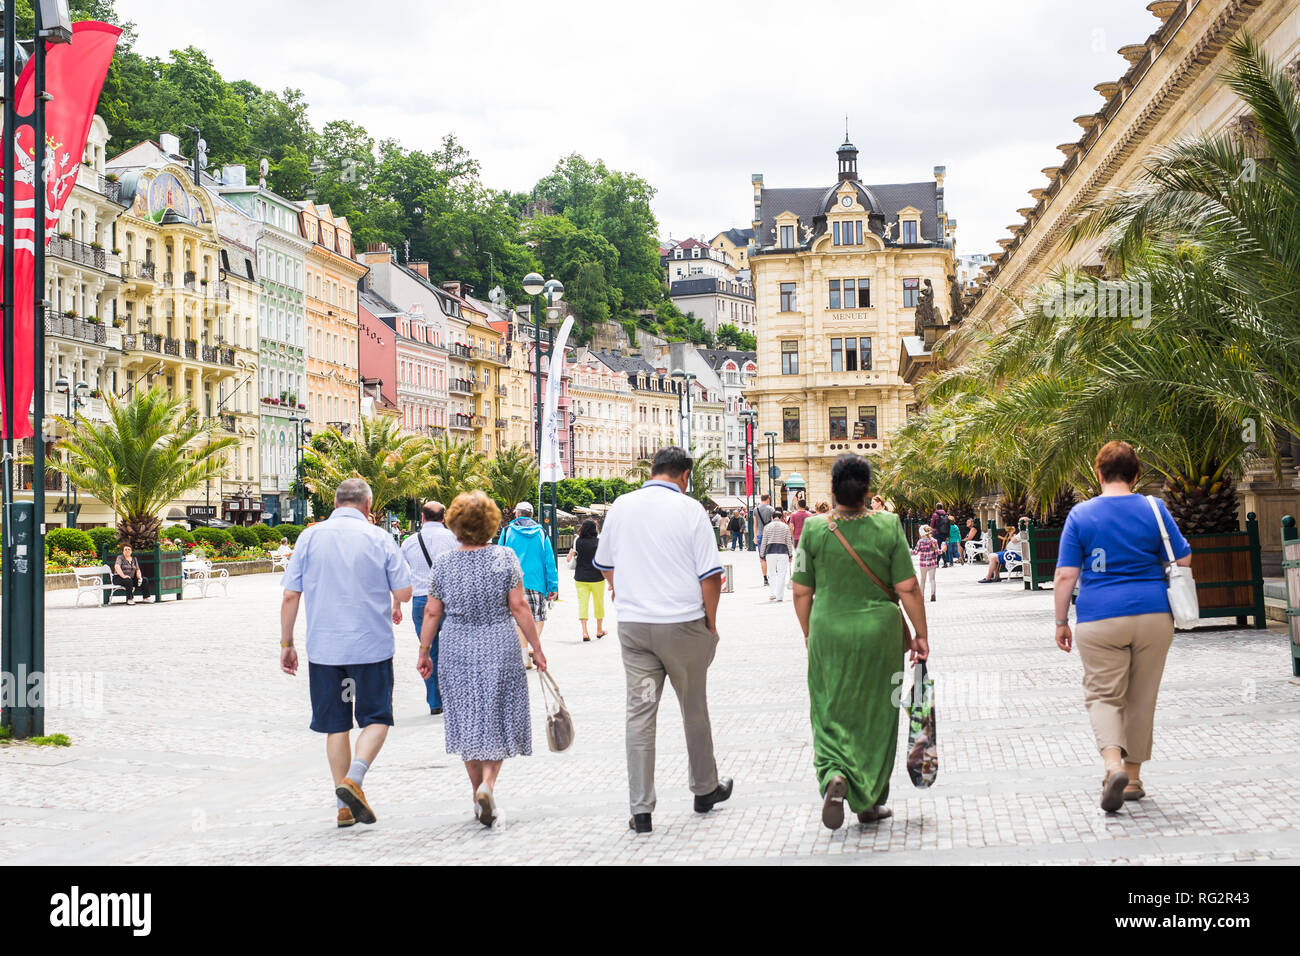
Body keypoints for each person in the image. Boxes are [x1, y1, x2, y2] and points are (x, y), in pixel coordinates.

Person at [595, 446, 733, 835]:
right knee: (693, 708)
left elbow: (605, 565)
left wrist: (621, 590)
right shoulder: (691, 511)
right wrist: (711, 621)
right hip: (682, 625)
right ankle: (704, 789)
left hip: (636, 629)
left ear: (653, 470)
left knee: (639, 714)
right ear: (685, 475)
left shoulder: (621, 505)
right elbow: (711, 575)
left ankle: (641, 810)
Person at [792, 454, 929, 830]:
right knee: (877, 714)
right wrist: (920, 634)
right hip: (880, 636)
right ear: (868, 489)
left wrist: (809, 633)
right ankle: (868, 802)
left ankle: (835, 775)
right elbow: (908, 587)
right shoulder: (888, 525)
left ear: (832, 489)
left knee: (829, 708)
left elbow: (801, 591)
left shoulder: (816, 530)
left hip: (829, 631)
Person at [1054, 440, 1191, 812]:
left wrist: (1060, 621)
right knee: (1141, 697)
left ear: (1098, 473)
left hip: (1099, 618)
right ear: (1137, 474)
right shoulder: (1154, 508)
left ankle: (1111, 764)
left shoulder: (1081, 515)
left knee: (1103, 695)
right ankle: (1131, 778)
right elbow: (1183, 556)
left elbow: (1066, 575)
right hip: (1152, 615)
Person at [280, 478, 413, 829]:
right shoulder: (379, 538)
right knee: (376, 718)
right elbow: (405, 590)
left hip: (326, 651)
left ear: (336, 503)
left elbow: (290, 595)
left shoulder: (309, 536)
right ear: (368, 506)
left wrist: (287, 643)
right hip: (370, 648)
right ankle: (354, 779)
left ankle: (342, 806)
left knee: (335, 725)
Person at [419, 490, 546, 827]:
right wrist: (536, 646)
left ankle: (478, 791)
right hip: (499, 643)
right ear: (491, 523)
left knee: (467, 718)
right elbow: (519, 607)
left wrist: (423, 651)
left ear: (455, 524)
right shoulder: (505, 557)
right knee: (498, 715)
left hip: (456, 646)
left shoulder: (444, 563)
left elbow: (432, 611)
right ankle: (488, 785)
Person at [396, 501, 458, 714]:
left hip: (422, 601)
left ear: (422, 518)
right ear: (444, 518)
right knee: (454, 651)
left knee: (428, 650)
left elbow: (401, 577)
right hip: (451, 601)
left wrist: (396, 605)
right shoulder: (454, 539)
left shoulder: (409, 542)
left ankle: (435, 702)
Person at [500, 501, 558, 669]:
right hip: (537, 583)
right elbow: (549, 561)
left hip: (513, 583)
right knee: (539, 616)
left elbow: (500, 558)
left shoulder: (507, 531)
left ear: (517, 514)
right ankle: (534, 644)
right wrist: (553, 586)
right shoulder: (541, 533)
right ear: (532, 515)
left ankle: (524, 655)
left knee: (517, 619)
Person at [567, 518, 607, 642]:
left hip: (580, 578)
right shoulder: (600, 542)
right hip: (597, 578)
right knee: (599, 603)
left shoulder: (577, 541)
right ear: (594, 529)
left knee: (582, 604)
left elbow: (570, 559)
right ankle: (599, 630)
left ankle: (585, 632)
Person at [759, 507, 793, 601]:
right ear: (782, 517)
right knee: (782, 574)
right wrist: (790, 554)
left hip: (770, 552)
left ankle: (772, 593)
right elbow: (789, 542)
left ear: (772, 517)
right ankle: (779, 596)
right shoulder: (785, 527)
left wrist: (761, 555)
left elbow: (764, 542)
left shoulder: (767, 527)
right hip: (783, 552)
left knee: (772, 573)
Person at [912, 524, 941, 602]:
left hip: (923, 564)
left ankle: (921, 596)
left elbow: (915, 552)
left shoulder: (920, 541)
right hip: (932, 563)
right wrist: (943, 549)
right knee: (932, 579)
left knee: (923, 580)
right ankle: (933, 594)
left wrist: (909, 551)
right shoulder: (934, 541)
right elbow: (938, 552)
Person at [755, 494, 775, 585]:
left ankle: (765, 578)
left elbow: (754, 524)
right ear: (768, 499)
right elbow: (774, 523)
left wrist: (755, 536)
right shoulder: (771, 509)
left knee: (762, 558)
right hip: (770, 535)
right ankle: (771, 576)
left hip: (759, 535)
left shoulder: (756, 509)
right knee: (771, 556)